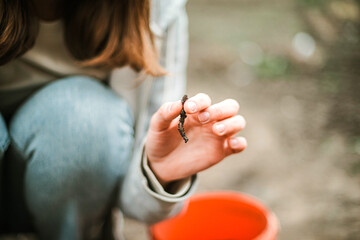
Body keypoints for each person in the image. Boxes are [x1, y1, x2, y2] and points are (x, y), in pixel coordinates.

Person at [0, 0, 247, 239]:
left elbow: (134, 204)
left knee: (83, 119)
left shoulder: (157, 8)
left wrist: (157, 173)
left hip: (70, 192)